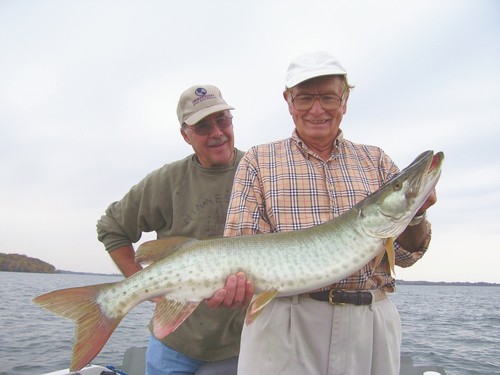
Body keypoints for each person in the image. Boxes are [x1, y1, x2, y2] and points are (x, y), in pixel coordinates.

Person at [223, 51, 438, 375]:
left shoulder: (377, 161)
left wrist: (416, 214)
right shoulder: (258, 161)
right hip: (286, 326)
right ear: (288, 100)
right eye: (305, 98)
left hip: (370, 325)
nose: (317, 109)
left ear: (345, 99)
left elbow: (407, 256)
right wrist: (233, 285)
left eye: (327, 97)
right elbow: (241, 249)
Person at [96, 84, 253, 375]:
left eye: (223, 120)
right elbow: (111, 227)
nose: (217, 132)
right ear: (185, 135)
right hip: (176, 344)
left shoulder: (258, 170)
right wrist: (139, 284)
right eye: (203, 126)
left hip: (243, 344)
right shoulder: (167, 180)